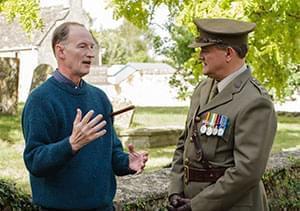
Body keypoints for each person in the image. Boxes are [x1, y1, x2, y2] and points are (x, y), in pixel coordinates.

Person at [22, 22, 148, 211]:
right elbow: (35, 161)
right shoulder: (40, 100)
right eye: (82, 46)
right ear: (60, 51)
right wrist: (70, 145)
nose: (91, 53)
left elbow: (111, 153)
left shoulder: (99, 98)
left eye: (92, 47)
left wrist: (127, 162)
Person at [168, 18, 277, 211]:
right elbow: (184, 144)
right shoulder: (203, 89)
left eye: (205, 50)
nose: (200, 56)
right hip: (191, 202)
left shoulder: (255, 101)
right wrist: (175, 190)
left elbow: (247, 172)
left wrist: (198, 205)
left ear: (228, 53)